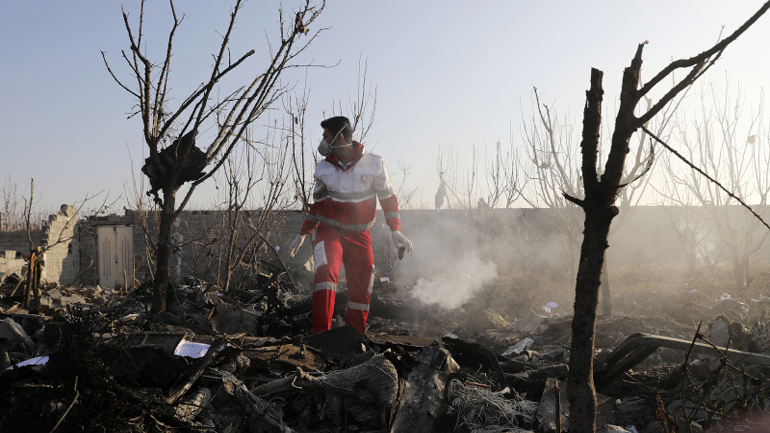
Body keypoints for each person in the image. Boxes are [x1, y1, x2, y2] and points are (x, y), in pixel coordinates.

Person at [289, 116, 413, 334]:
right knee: (325, 274)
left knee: (364, 282)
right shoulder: (323, 169)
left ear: (339, 136)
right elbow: (317, 206)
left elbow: (387, 198)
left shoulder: (374, 163)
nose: (322, 141)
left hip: (360, 234)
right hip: (330, 232)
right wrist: (302, 233)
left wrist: (395, 230)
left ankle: (354, 337)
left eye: (326, 136)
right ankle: (321, 337)